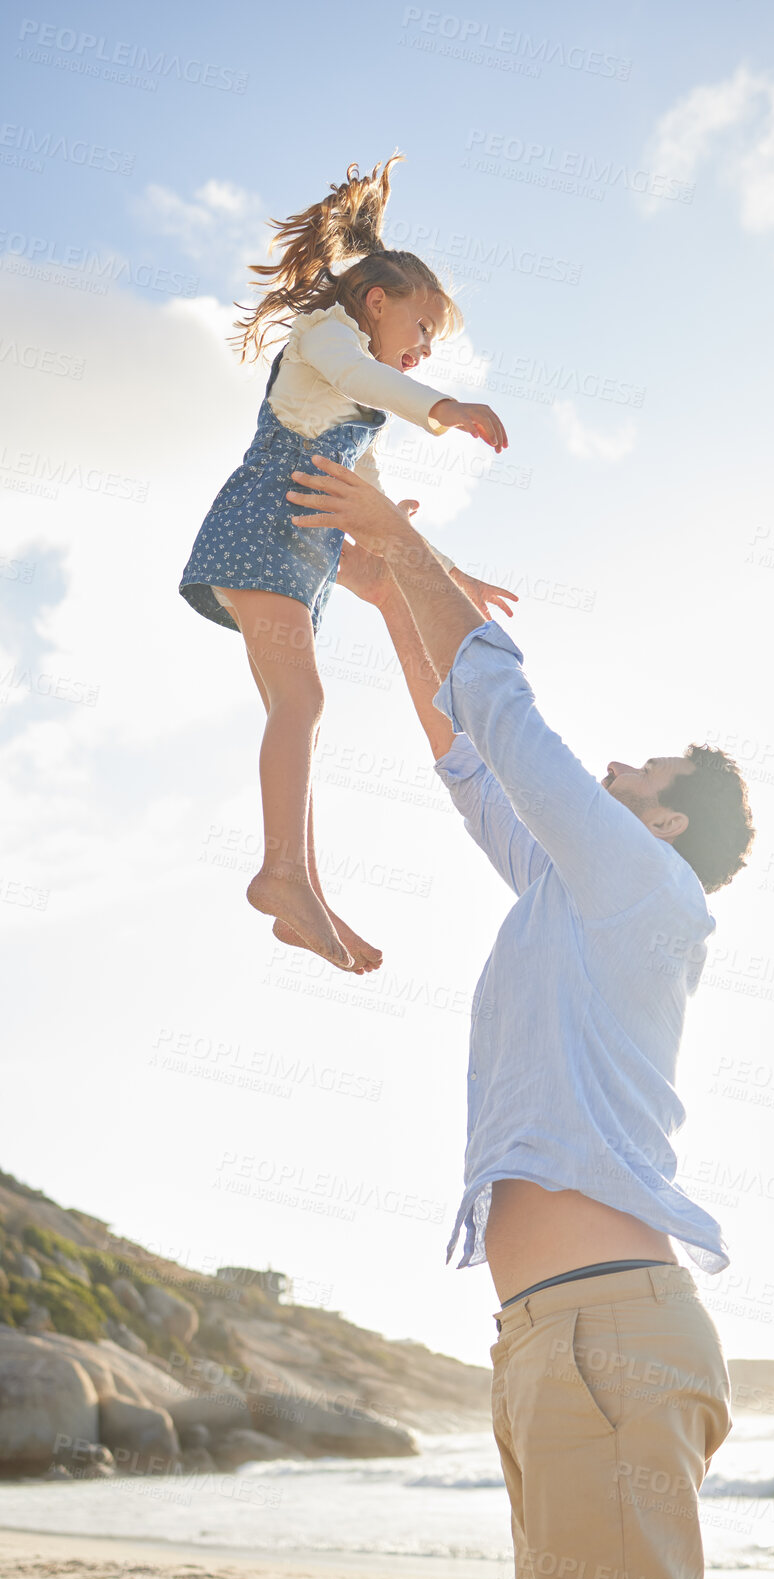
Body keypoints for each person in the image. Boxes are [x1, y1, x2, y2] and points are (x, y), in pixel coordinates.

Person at [288, 454, 756, 1579]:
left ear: (665, 828)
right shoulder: (571, 893)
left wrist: (398, 534)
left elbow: (509, 716)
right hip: (548, 1336)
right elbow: (474, 767)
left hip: (609, 1330)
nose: (612, 773)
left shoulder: (646, 894)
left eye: (639, 777)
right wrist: (391, 599)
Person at [179, 158, 512, 972]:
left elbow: (365, 485)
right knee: (305, 698)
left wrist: (452, 575)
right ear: (377, 302)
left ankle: (304, 892)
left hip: (307, 539)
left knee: (311, 690)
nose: (427, 347)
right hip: (264, 526)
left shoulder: (359, 405)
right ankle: (282, 875)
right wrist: (446, 409)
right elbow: (368, 375)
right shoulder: (329, 338)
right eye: (423, 328)